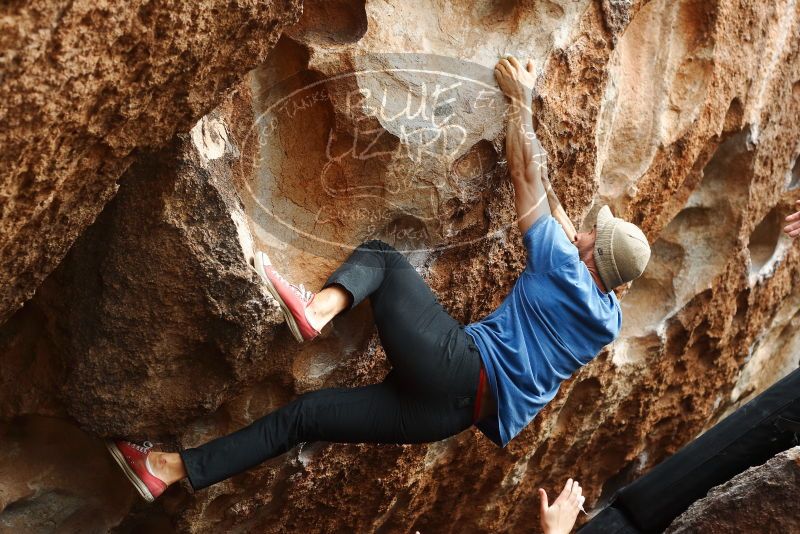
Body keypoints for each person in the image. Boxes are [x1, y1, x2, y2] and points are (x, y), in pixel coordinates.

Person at [105, 56, 650, 527]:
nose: (579, 227)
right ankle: (167, 470)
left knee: (384, 258)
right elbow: (563, 223)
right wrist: (557, 194)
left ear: (587, 254)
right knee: (308, 417)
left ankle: (317, 311)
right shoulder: (606, 318)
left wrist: (521, 103)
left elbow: (528, 182)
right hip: (450, 416)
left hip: (457, 366)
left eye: (588, 234)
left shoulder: (563, 262)